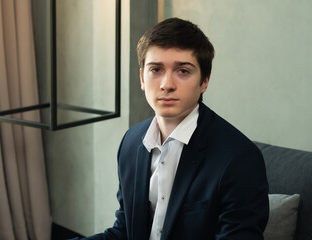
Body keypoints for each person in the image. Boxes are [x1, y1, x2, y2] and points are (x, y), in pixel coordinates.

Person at [81, 18, 269, 239]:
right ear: (142, 78)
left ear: (204, 81)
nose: (167, 84)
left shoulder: (240, 158)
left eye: (182, 71)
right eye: (156, 69)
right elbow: (124, 231)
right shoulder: (130, 143)